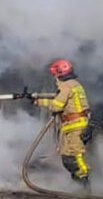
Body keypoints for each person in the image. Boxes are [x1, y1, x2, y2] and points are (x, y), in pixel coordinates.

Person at [34, 58, 92, 186]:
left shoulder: (66, 86)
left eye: (55, 75)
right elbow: (61, 102)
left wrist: (39, 102)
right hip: (75, 125)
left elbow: (57, 106)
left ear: (59, 73)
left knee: (75, 156)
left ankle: (84, 183)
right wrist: (38, 101)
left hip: (75, 125)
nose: (55, 78)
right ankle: (79, 183)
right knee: (67, 157)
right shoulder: (75, 84)